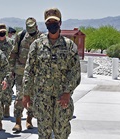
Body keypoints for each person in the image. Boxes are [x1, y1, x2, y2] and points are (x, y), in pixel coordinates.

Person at [22, 7, 81, 139]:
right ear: (45, 24)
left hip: (62, 99)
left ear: (60, 23)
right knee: (44, 134)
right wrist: (26, 94)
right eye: (49, 23)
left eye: (54, 22)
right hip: (42, 99)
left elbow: (75, 71)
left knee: (61, 133)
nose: (52, 25)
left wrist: (67, 92)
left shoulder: (69, 46)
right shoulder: (37, 45)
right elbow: (29, 70)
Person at [9, 17, 43, 132]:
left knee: (32, 98)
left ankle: (29, 119)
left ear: (37, 27)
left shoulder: (42, 38)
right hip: (20, 72)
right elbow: (14, 53)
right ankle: (18, 122)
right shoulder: (21, 36)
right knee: (19, 97)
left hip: (35, 74)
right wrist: (11, 70)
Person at [0, 23, 14, 118]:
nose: (2, 34)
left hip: (8, 70)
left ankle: (7, 107)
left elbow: (15, 55)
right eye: (0, 32)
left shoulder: (11, 42)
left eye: (3, 32)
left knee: (8, 90)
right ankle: (0, 107)